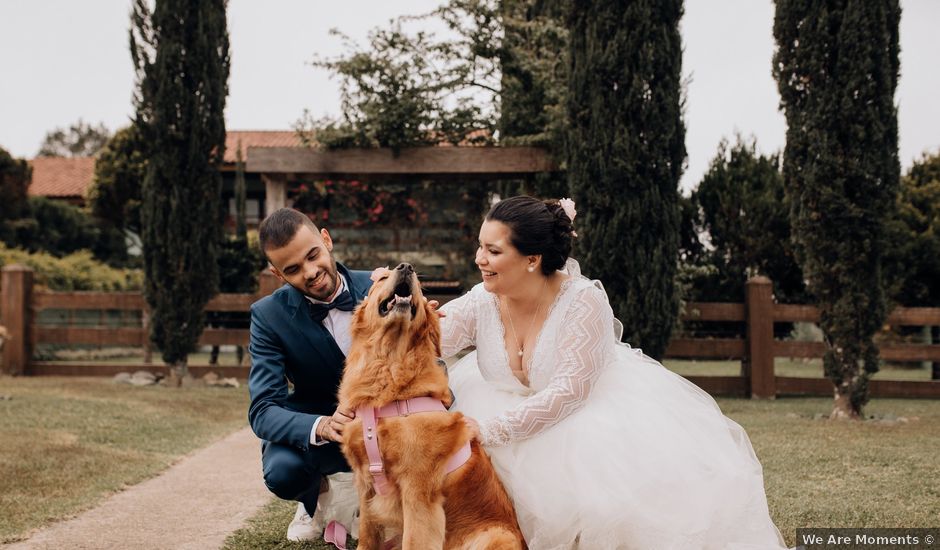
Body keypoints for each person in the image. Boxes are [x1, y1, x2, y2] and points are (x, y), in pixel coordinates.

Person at [439, 196, 787, 550]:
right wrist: (401, 311)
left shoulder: (582, 301)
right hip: (493, 403)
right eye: (480, 247)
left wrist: (490, 429)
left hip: (581, 417)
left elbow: (569, 392)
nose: (479, 259)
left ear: (532, 259)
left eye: (493, 251)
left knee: (598, 506)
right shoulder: (481, 299)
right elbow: (429, 339)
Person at [248, 208, 370, 542]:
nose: (311, 272)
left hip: (385, 424)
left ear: (326, 240)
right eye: (293, 269)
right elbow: (263, 410)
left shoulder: (379, 285)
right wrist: (322, 426)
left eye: (313, 255)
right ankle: (313, 500)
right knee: (282, 471)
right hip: (324, 434)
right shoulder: (268, 316)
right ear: (278, 274)